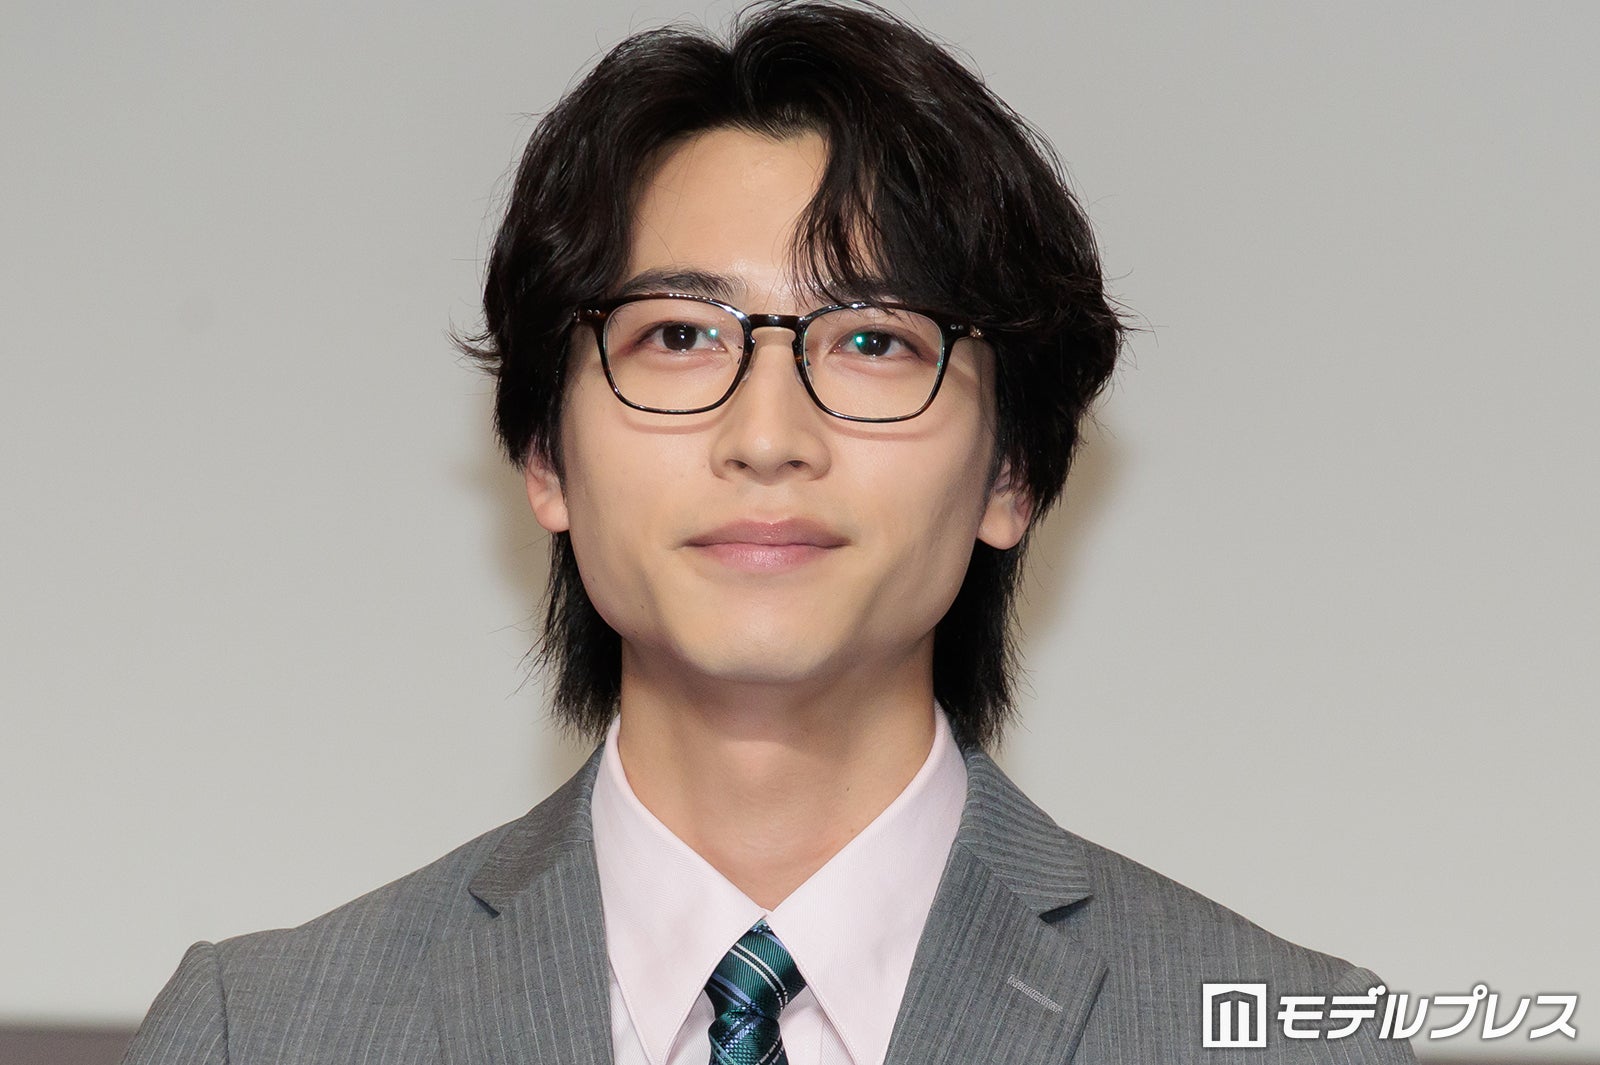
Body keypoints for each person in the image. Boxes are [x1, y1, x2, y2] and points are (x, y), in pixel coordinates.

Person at [124, 3, 1414, 1063]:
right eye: (680, 335)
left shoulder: (1286, 1041)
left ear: (1013, 473)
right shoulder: (264, 1033)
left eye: (873, 341)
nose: (768, 435)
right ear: (544, 457)